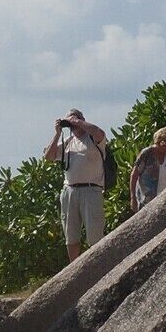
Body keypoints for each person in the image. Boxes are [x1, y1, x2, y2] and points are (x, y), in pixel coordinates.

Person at [45, 109, 109, 261]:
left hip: (91, 189)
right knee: (71, 234)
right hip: (69, 191)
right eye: (71, 122)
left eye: (77, 119)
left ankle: (97, 264)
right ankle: (74, 268)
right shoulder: (67, 142)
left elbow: (99, 132)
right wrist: (57, 133)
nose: (73, 124)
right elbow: (48, 156)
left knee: (95, 234)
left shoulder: (93, 139)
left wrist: (78, 121)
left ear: (83, 119)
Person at [130, 127, 166, 212]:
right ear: (161, 142)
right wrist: (133, 198)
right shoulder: (147, 153)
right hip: (146, 200)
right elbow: (134, 175)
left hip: (162, 199)